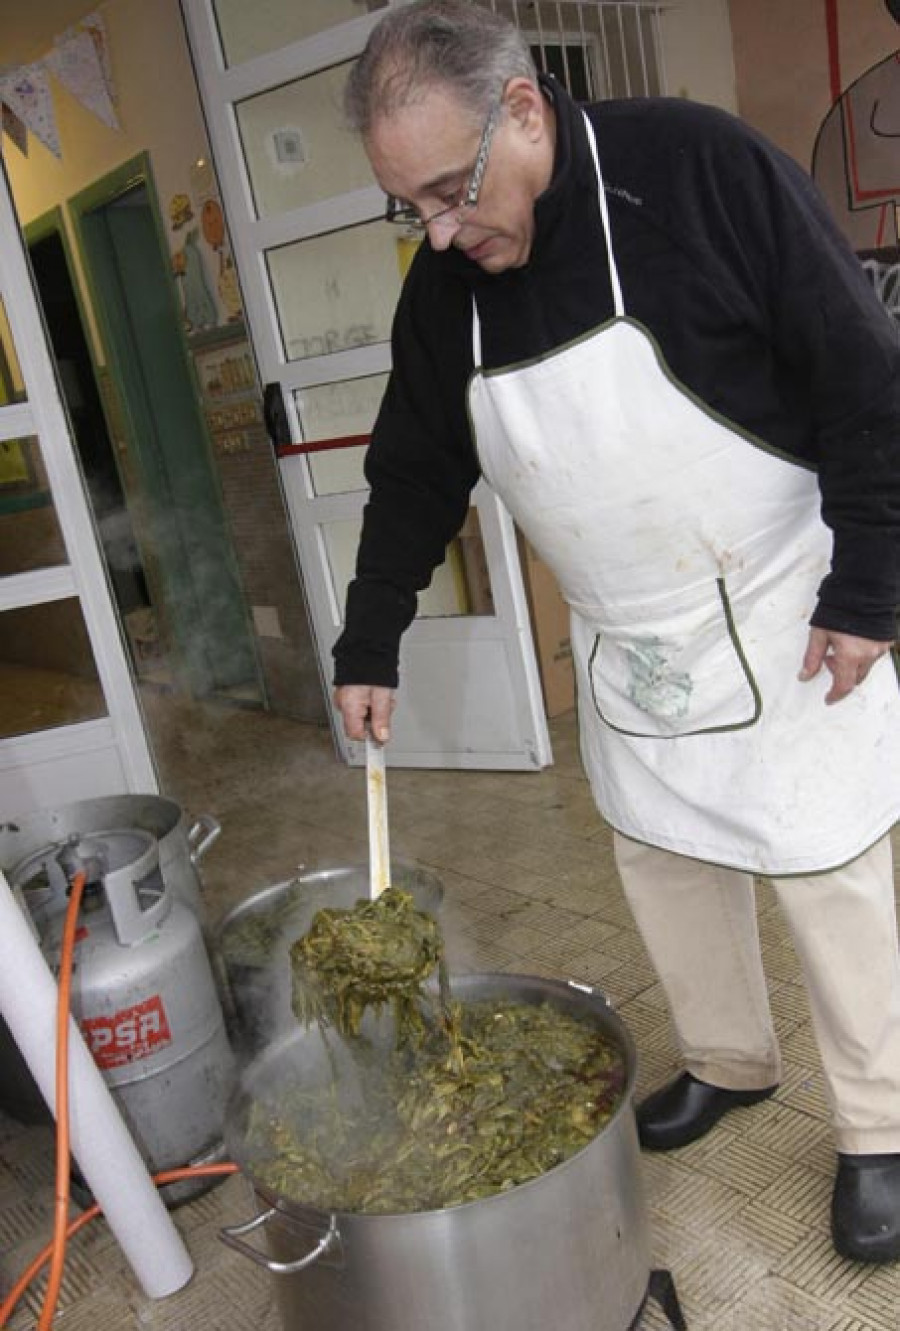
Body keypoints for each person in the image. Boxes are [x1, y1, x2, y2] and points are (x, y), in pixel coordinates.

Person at [331, 0, 900, 1263]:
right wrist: (372, 640)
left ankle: (881, 1128)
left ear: (524, 111)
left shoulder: (701, 171)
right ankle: (731, 1059)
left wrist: (869, 587)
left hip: (781, 597)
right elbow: (415, 468)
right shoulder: (449, 291)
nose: (436, 232)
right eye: (407, 207)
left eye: (449, 191)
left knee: (826, 866)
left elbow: (863, 372)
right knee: (665, 854)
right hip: (627, 629)